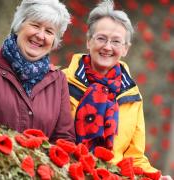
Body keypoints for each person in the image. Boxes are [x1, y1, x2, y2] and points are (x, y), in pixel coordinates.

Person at [63, 0, 172, 179]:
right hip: (65, 171)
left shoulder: (132, 95)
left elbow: (134, 157)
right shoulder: (61, 81)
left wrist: (156, 177)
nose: (107, 47)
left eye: (116, 41)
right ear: (88, 41)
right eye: (101, 38)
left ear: (125, 49)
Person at [0, 0, 75, 143]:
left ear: (54, 41)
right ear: (19, 26)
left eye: (49, 31)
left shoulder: (58, 80)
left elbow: (64, 139)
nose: (40, 35)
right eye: (35, 25)